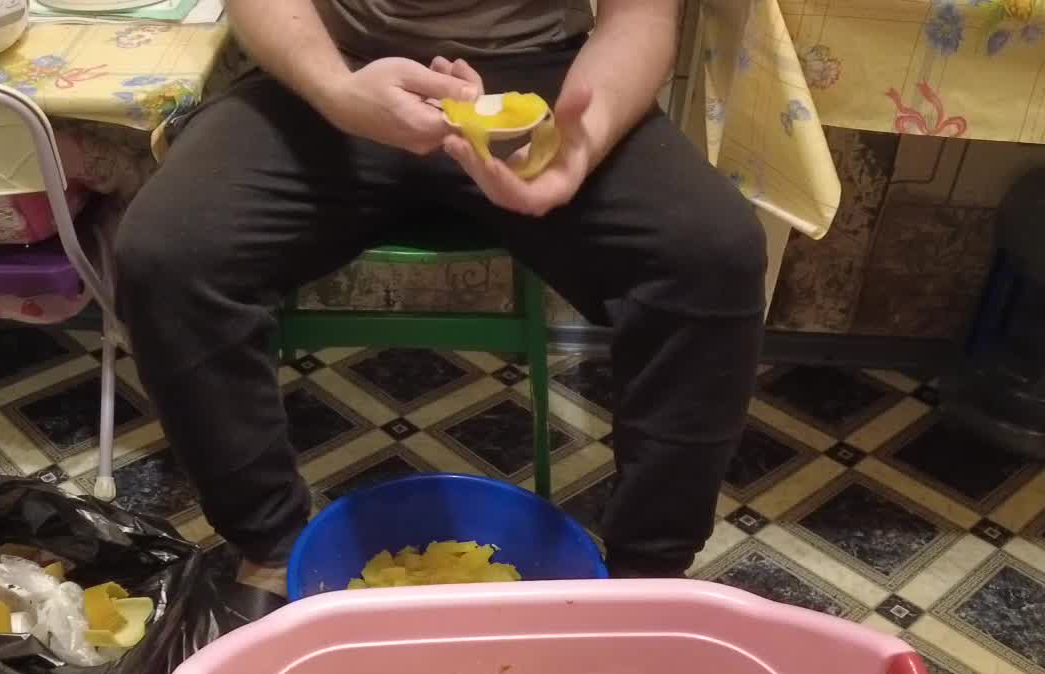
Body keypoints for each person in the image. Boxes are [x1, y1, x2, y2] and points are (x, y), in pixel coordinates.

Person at [115, 0, 766, 592]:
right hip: (331, 69)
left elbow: (641, 18)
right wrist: (336, 91)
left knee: (713, 256)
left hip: (543, 80)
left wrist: (585, 139)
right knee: (166, 255)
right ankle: (271, 550)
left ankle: (648, 579)